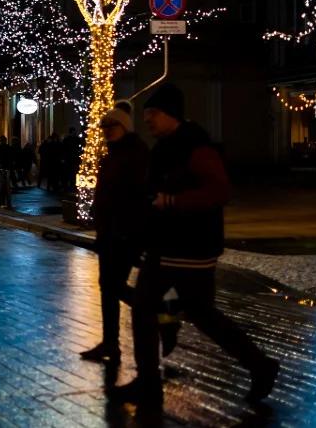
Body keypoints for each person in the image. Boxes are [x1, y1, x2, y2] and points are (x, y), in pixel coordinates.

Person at [110, 84, 279, 409]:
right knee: (160, 308)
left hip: (190, 248)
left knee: (192, 313)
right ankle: (151, 380)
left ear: (170, 113)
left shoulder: (196, 148)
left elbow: (219, 192)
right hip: (167, 246)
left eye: (152, 115)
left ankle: (259, 365)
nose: (147, 121)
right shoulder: (164, 148)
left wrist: (171, 201)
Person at [79, 105, 147, 365]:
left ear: (124, 127)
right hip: (109, 234)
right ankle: (110, 343)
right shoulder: (111, 156)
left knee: (113, 286)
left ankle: (151, 310)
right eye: (104, 127)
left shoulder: (135, 154)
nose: (107, 131)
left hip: (125, 234)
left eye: (112, 126)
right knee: (107, 287)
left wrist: (125, 229)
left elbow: (135, 196)